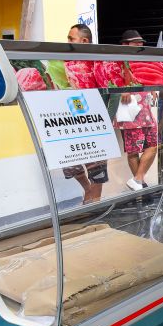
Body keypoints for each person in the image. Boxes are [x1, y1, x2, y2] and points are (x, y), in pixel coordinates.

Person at [61, 24, 107, 203]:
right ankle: (88, 189)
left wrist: (106, 119)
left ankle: (95, 201)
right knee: (69, 162)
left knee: (96, 164)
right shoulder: (65, 62)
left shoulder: (97, 61)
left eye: (71, 38)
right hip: (70, 120)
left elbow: (110, 90)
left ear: (84, 41)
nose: (67, 42)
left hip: (94, 119)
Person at [116, 29, 158, 190]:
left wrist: (153, 87)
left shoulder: (142, 59)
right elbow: (110, 79)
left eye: (141, 42)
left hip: (145, 109)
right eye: (136, 43)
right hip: (128, 110)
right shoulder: (118, 60)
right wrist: (122, 89)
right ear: (125, 44)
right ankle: (141, 186)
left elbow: (147, 76)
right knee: (133, 151)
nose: (140, 45)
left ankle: (138, 180)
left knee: (153, 146)